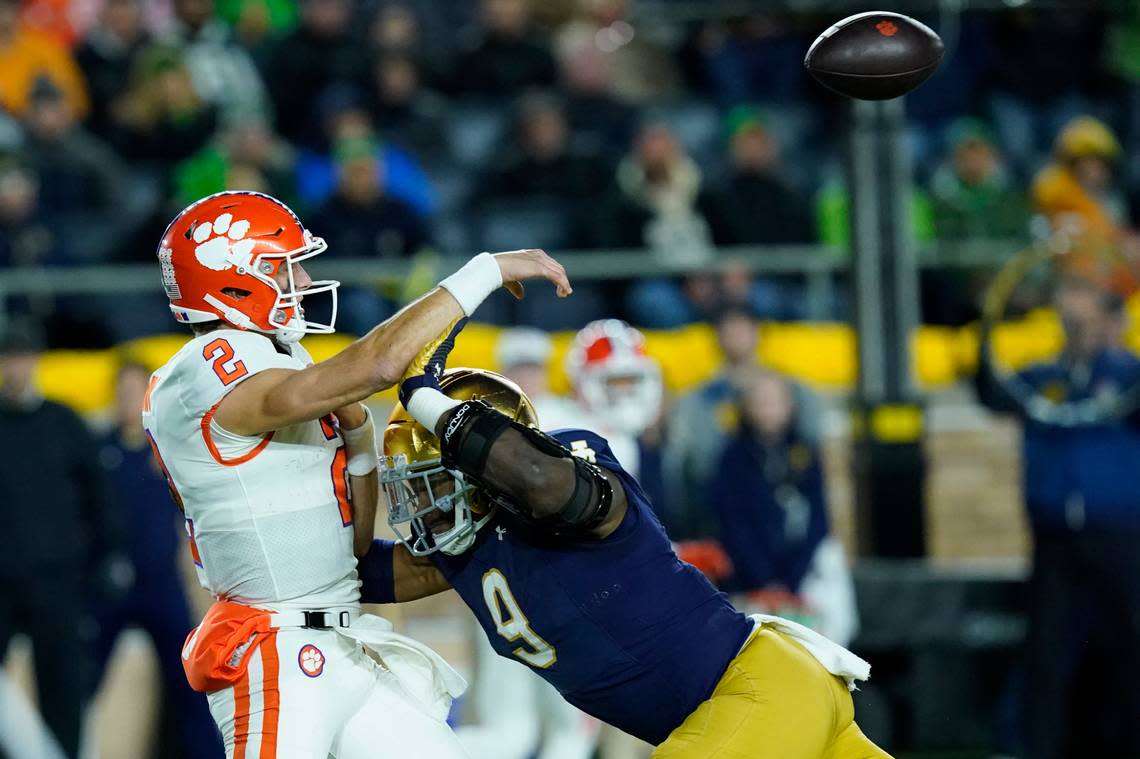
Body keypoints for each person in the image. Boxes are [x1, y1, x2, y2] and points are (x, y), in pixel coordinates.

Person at [144, 189, 571, 758]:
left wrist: (361, 441)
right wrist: (482, 272)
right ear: (231, 276)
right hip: (274, 651)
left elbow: (356, 551)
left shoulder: (281, 360)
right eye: (282, 268)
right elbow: (379, 365)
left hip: (344, 642)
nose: (300, 282)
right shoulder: (205, 366)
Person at [359, 332, 888, 758]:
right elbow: (353, 574)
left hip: (755, 688)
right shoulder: (467, 553)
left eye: (436, 480)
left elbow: (542, 481)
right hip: (764, 704)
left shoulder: (581, 482)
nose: (423, 501)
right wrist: (354, 442)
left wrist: (425, 399)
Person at [975, 276, 1140, 758]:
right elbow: (990, 392)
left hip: (1120, 531)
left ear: (1111, 321)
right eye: (1072, 318)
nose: (1082, 326)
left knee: (1130, 644)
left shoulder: (1127, 375)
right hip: (1054, 535)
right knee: (1047, 653)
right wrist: (983, 324)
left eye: (1091, 316)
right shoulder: (1042, 378)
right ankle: (1038, 748)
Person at [0, 320, 127, 758]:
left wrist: (110, 553)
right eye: (6, 359)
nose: (14, 368)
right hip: (2, 579)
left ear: (34, 360)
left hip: (58, 578)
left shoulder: (63, 422)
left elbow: (99, 495)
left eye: (20, 357)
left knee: (63, 684)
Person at [94, 361, 223, 759]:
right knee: (81, 676)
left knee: (189, 679)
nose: (127, 401)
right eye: (122, 393)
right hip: (108, 587)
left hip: (160, 583)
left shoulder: (168, 451)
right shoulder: (98, 454)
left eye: (135, 393)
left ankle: (209, 754)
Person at [710, 368, 858, 647]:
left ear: (790, 406)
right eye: (760, 402)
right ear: (746, 407)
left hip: (801, 572)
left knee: (831, 558)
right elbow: (733, 524)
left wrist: (793, 580)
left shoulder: (804, 452)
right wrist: (766, 581)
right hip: (750, 576)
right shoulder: (732, 458)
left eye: (775, 401)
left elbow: (819, 521)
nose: (769, 410)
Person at [665, 302, 821, 539]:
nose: (735, 337)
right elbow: (694, 459)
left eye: (742, 329)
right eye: (728, 330)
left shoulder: (790, 387)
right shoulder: (697, 398)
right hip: (720, 499)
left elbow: (812, 439)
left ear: (758, 332)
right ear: (715, 336)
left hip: (781, 494)